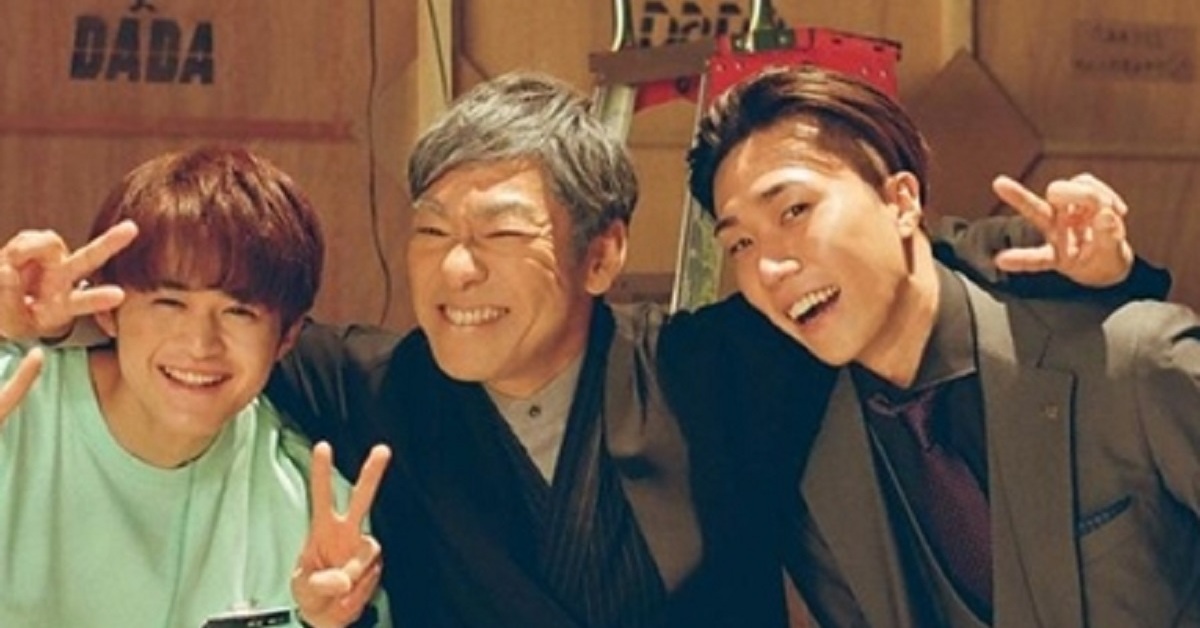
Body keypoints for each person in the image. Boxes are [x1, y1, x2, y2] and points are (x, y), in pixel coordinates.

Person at [11, 74, 1166, 627]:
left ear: (603, 253)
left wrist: (1065, 254)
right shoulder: (377, 384)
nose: (455, 272)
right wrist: (38, 318)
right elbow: (203, 322)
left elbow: (858, 272)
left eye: (500, 235)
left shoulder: (720, 370)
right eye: (431, 233)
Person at [686, 65, 1200, 627]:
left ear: (901, 201)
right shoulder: (812, 463)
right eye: (741, 243)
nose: (770, 267)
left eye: (794, 211)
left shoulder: (1135, 362)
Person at [0, 146, 390, 627]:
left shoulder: (315, 510)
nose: (200, 344)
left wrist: (320, 623)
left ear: (287, 337)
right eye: (169, 303)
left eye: (238, 312)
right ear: (108, 310)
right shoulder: (14, 411)